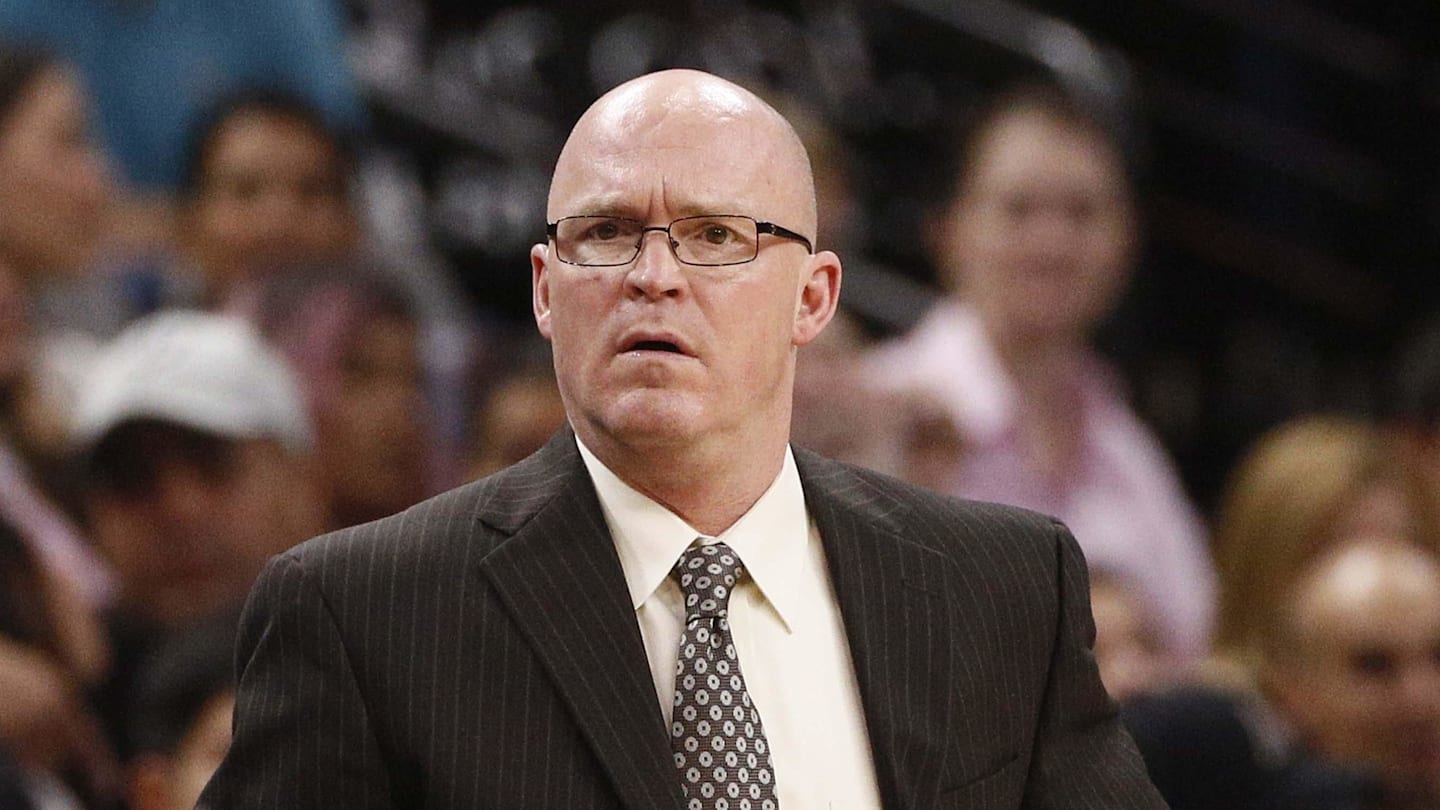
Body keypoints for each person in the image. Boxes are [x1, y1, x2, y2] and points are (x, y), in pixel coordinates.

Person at [202, 69, 1164, 808]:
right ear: (544, 290)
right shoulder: (360, 614)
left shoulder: (1004, 591)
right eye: (607, 233)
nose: (654, 276)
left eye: (715, 237)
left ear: (814, 298)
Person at [866, 79, 1214, 666]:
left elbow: (1194, 642)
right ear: (947, 231)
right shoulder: (878, 408)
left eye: (1082, 213)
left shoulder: (1127, 442)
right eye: (1018, 210)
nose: (1053, 243)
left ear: (1127, 240)